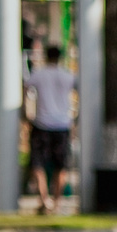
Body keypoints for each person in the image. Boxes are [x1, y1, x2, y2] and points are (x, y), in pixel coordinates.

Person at [25, 41, 78, 213]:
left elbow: (25, 88)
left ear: (47, 56)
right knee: (60, 166)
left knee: (37, 163)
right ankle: (57, 202)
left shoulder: (39, 74)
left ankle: (44, 199)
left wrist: (26, 114)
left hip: (41, 124)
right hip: (62, 125)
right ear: (60, 57)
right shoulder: (67, 75)